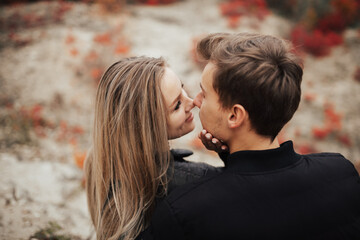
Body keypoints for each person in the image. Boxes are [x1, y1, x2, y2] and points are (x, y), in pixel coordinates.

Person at [144, 33, 360, 240]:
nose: (197, 100)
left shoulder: (186, 213)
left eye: (205, 93)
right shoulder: (342, 174)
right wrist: (231, 156)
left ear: (234, 115)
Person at [84, 56, 223, 240]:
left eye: (182, 88)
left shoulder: (101, 160)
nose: (192, 103)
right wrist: (229, 153)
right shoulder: (191, 180)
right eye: (177, 106)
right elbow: (242, 189)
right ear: (149, 128)